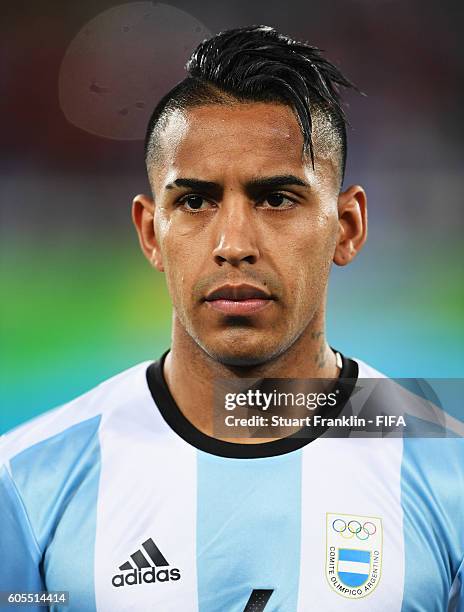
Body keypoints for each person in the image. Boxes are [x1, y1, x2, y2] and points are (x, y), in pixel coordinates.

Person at [1, 25, 463, 612]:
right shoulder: (24, 483)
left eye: (276, 198)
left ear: (347, 227)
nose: (233, 243)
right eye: (194, 201)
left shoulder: (451, 477)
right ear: (150, 232)